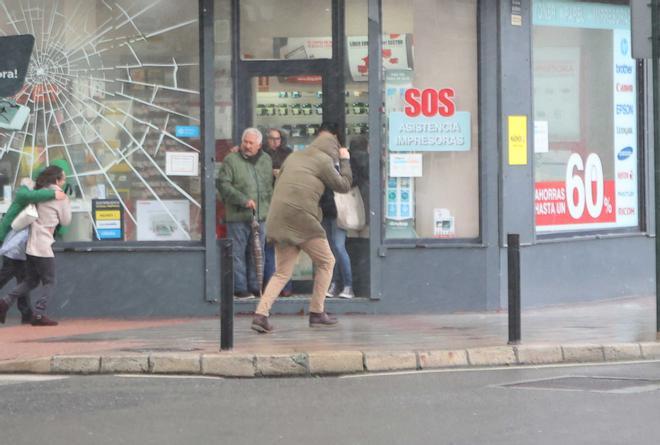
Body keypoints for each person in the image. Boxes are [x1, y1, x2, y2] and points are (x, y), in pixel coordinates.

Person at [251, 122, 352, 333]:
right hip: (302, 219)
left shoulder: (294, 156)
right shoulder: (324, 161)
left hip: (278, 218)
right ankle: (317, 312)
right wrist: (344, 159)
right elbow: (343, 185)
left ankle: (261, 315)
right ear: (333, 146)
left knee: (281, 273)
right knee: (327, 262)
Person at [0, 165, 71, 326]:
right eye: (63, 178)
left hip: (27, 245)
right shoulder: (54, 196)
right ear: (57, 180)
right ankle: (38, 314)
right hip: (39, 244)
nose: (65, 181)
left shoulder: (37, 195)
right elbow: (66, 221)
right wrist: (58, 197)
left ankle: (7, 303)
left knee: (30, 280)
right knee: (49, 281)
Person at [217, 128, 273, 299]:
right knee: (238, 253)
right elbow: (223, 185)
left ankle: (256, 286)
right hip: (238, 215)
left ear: (259, 145)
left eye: (251, 143)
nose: (247, 146)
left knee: (257, 252)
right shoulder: (231, 160)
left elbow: (268, 186)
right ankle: (240, 288)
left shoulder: (266, 160)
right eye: (245, 142)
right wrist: (242, 199)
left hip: (260, 215)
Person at [262, 128, 294, 296]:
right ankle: (270, 285)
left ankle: (286, 286)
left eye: (277, 139)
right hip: (267, 203)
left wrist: (280, 173)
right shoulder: (262, 155)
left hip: (284, 203)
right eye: (271, 138)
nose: (275, 142)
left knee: (284, 248)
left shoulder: (288, 154)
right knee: (268, 247)